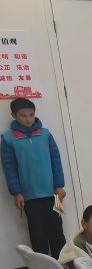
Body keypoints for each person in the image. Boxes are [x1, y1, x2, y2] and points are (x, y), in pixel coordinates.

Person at [1, 98, 67, 256]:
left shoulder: (45, 134)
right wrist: (17, 192)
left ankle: (63, 264)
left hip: (53, 194)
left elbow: (56, 161)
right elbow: (9, 168)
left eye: (31, 114)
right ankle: (42, 266)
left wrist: (59, 185)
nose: (28, 119)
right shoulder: (8, 139)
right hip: (29, 197)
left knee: (57, 231)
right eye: (23, 115)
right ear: (14, 115)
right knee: (37, 234)